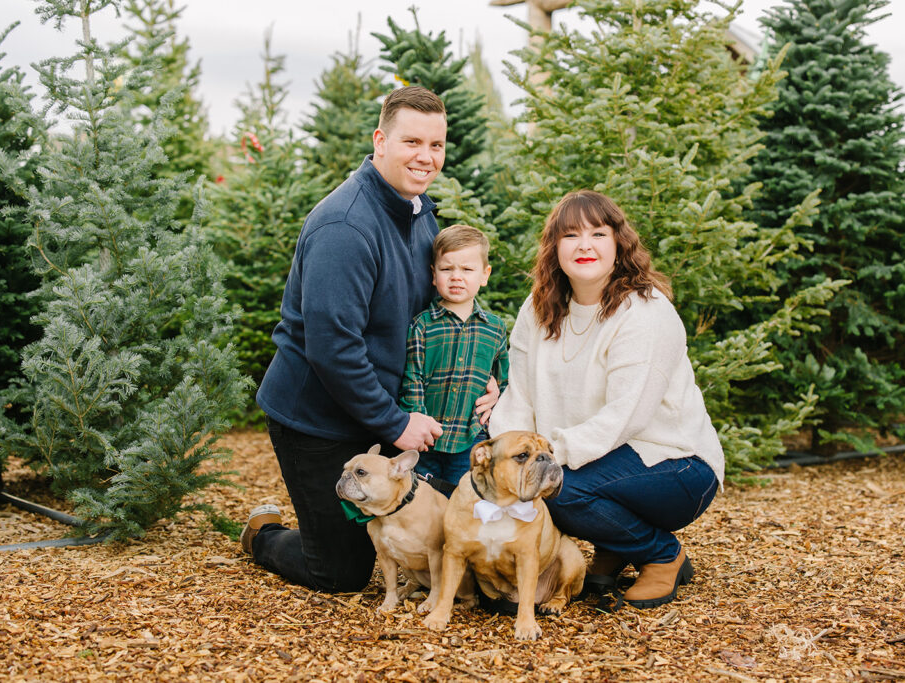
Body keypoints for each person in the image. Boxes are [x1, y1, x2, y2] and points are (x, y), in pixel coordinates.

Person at [240, 86, 497, 592]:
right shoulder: (345, 226)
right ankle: (261, 534)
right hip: (317, 419)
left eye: (437, 145)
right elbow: (333, 348)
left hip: (378, 408)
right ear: (380, 140)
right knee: (341, 572)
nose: (426, 157)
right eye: (412, 142)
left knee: (442, 517)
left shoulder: (419, 211)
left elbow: (438, 312)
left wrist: (484, 378)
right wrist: (395, 422)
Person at [488, 190, 725, 609]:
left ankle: (661, 555)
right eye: (571, 235)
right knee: (540, 478)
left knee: (559, 488)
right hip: (601, 457)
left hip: (675, 462)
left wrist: (543, 458)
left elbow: (624, 416)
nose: (584, 245)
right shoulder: (538, 308)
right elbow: (519, 392)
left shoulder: (645, 312)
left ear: (618, 245)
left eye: (598, 233)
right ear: (554, 247)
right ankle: (616, 546)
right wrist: (507, 453)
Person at [399, 225, 509, 489]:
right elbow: (412, 379)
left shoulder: (494, 329)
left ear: (485, 275)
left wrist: (496, 399)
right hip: (427, 438)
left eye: (467, 270)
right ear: (433, 275)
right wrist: (419, 425)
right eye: (447, 269)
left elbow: (503, 380)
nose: (456, 277)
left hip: (469, 437)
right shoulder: (423, 325)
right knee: (423, 500)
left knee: (462, 499)